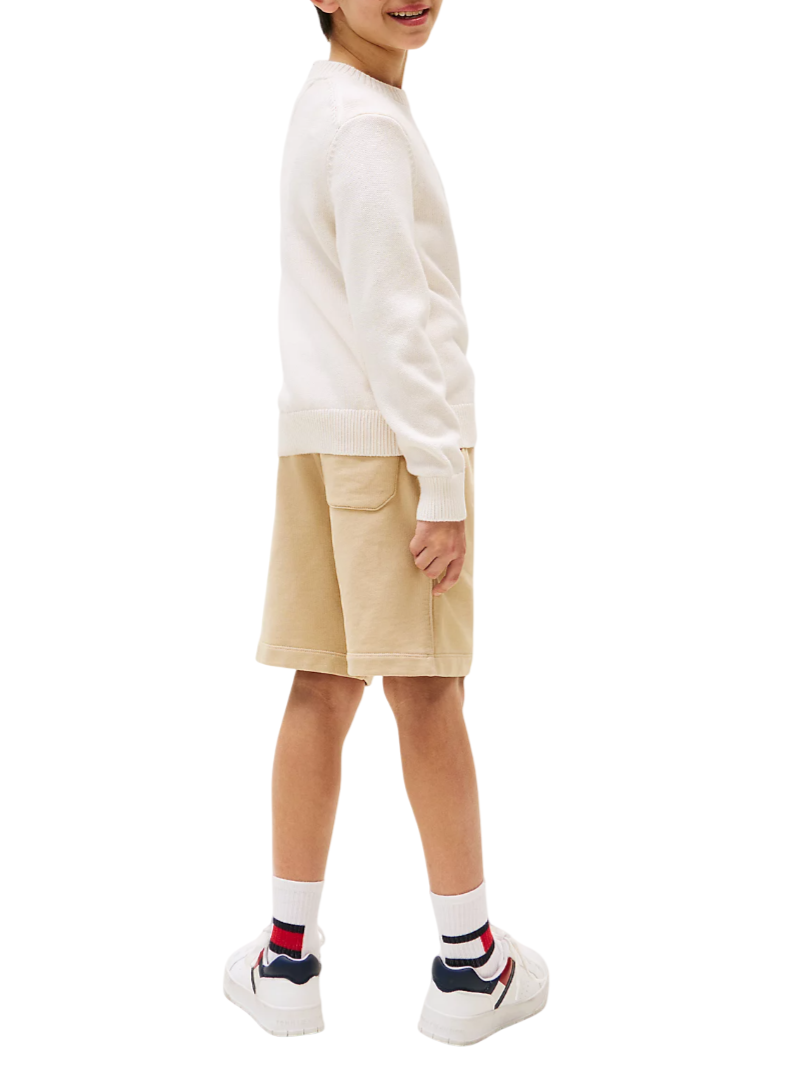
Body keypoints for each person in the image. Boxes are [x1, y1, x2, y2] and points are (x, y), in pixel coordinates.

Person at [223, 0, 548, 1046]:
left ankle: (285, 961)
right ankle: (470, 966)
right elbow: (395, 317)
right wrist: (441, 481)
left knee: (321, 688)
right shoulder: (365, 126)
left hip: (318, 444)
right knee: (428, 695)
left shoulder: (327, 101)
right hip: (394, 450)